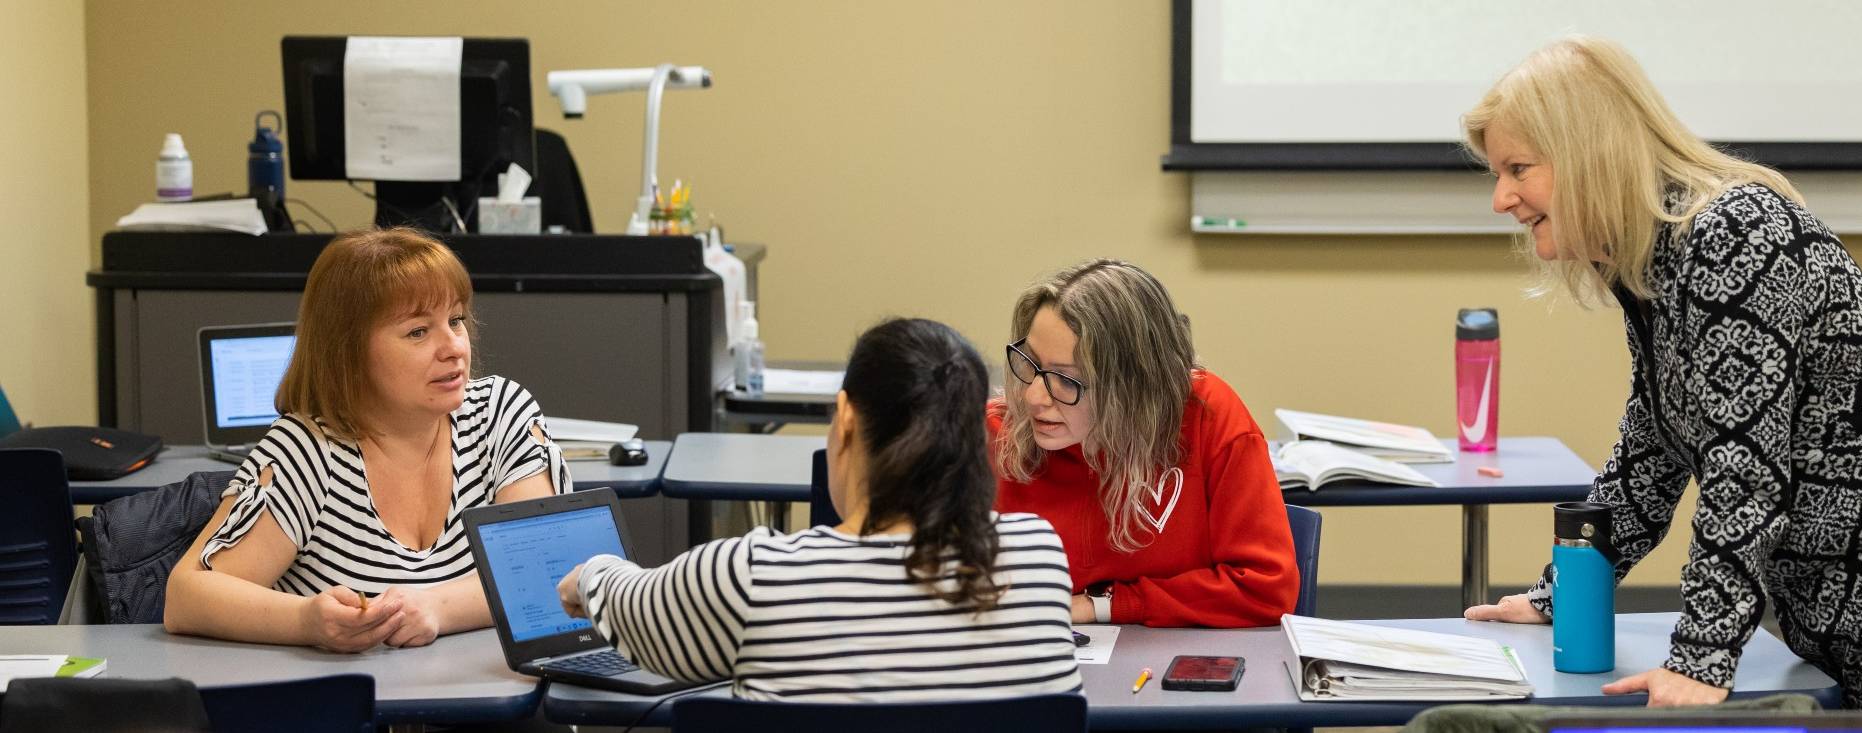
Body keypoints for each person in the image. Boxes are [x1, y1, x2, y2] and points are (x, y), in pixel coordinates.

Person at [1456, 36, 1862, 731]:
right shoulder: (1655, 260)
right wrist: (1560, 594)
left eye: (1519, 168)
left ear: (1588, 152)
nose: (1501, 198)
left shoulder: (1733, 234)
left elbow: (1743, 467)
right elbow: (1649, 456)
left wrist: (1701, 657)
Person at [557, 318, 1082, 701]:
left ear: (846, 419)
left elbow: (628, 608)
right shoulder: (1036, 555)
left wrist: (587, 577)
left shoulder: (754, 576)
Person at [164, 228, 569, 652]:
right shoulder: (308, 450)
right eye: (418, 332)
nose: (453, 348)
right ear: (350, 352)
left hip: (495, 701)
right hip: (356, 711)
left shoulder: (500, 412)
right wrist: (305, 621)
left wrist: (436, 609)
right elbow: (187, 598)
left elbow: (549, 570)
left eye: (455, 321)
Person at [990, 259, 1297, 628]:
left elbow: (1264, 590)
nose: (1034, 398)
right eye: (1030, 364)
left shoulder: (1206, 417)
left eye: (1068, 381)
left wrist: (1100, 605)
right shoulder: (993, 434)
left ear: (1136, 387)